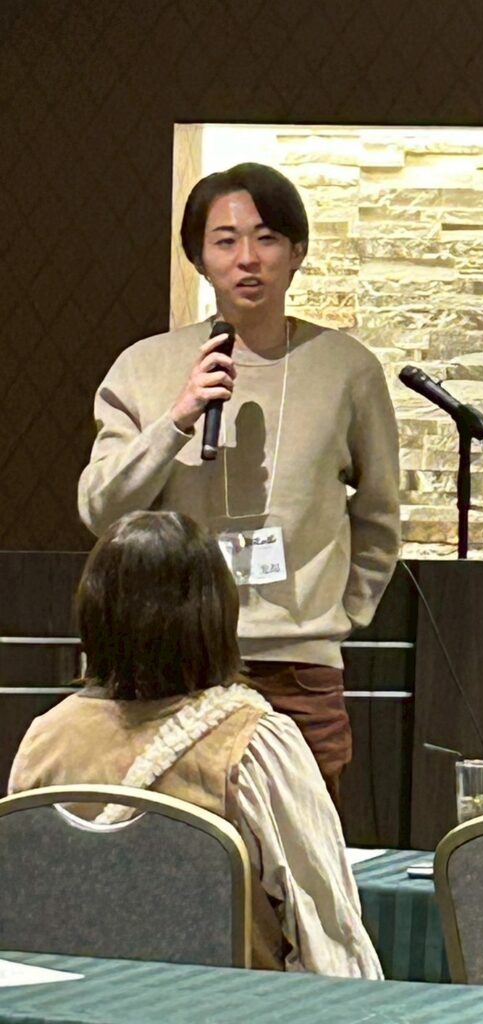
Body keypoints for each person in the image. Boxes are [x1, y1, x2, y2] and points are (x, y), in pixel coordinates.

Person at [77, 163, 401, 802]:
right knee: (178, 850)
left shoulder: (347, 369)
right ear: (199, 258)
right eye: (225, 241)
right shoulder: (144, 367)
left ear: (297, 251)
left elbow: (380, 516)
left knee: (299, 857)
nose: (247, 258)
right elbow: (100, 510)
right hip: (168, 665)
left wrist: (336, 617)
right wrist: (177, 418)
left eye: (267, 237)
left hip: (297, 669)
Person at [9, 511, 383, 978]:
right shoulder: (257, 745)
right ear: (216, 613)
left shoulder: (45, 738)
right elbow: (326, 932)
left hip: (69, 1002)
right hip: (229, 1005)